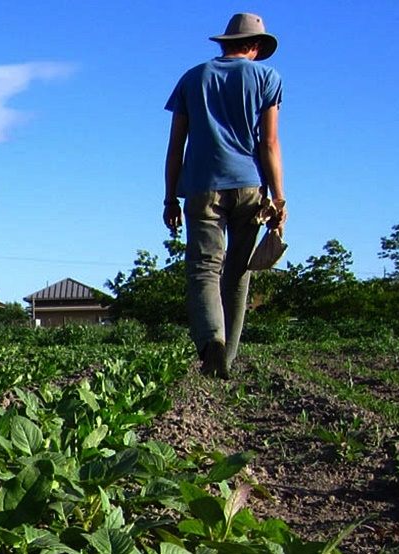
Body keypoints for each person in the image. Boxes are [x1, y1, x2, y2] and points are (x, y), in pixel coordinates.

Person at [163, 13, 286, 379]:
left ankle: (211, 343)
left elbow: (175, 147)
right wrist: (278, 197)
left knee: (204, 269)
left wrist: (171, 198)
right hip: (249, 185)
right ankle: (226, 362)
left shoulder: (193, 77)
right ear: (257, 46)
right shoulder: (267, 78)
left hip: (201, 185)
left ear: (225, 43)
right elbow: (269, 143)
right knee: (238, 272)